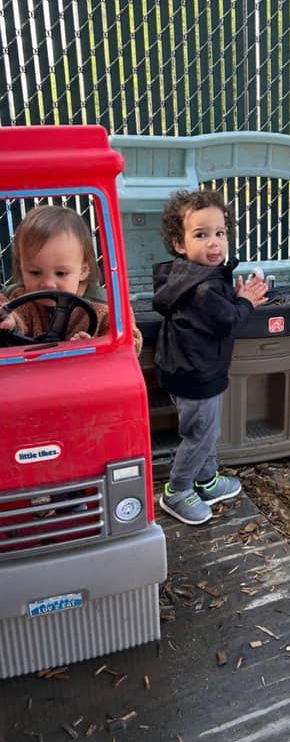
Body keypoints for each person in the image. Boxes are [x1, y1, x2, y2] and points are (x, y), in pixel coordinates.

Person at [153, 189, 268, 526]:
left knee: (206, 429)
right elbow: (227, 320)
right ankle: (177, 490)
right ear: (179, 243)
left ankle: (207, 481)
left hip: (184, 367)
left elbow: (211, 310)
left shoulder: (188, 275)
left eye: (220, 233)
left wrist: (231, 297)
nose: (214, 243)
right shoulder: (204, 286)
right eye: (201, 235)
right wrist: (245, 300)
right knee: (201, 434)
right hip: (197, 373)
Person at [0, 204, 143, 354]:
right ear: (21, 268)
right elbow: (16, 317)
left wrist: (95, 346)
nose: (48, 283)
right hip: (30, 373)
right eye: (35, 273)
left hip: (86, 374)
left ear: (83, 270)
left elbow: (131, 342)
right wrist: (11, 323)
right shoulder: (15, 299)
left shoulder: (106, 307)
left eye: (61, 273)